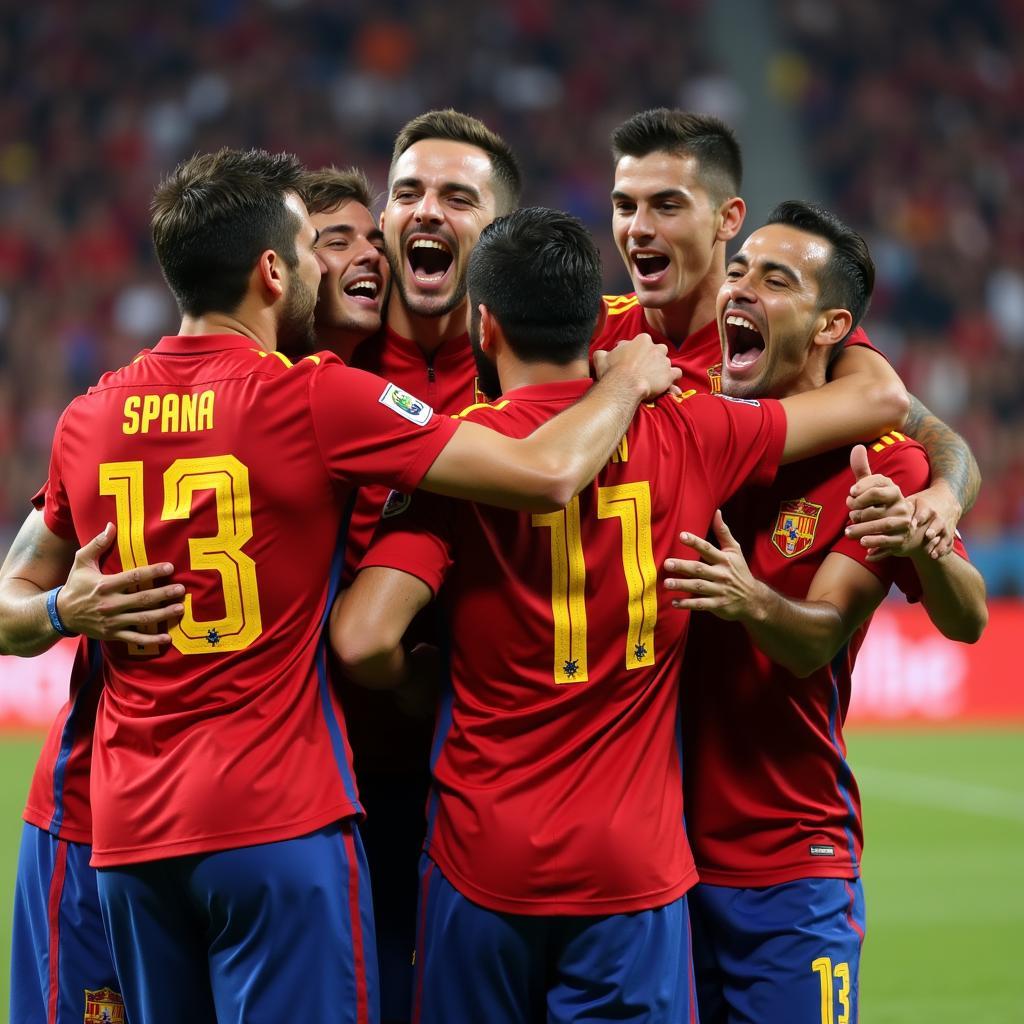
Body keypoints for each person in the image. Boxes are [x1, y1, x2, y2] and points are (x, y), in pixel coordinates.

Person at [0, 147, 680, 1024]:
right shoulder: (315, 397)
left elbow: (13, 599)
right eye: (317, 247)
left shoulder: (87, 415)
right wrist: (623, 384)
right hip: (276, 817)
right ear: (275, 270)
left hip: (129, 830)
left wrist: (60, 610)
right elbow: (545, 471)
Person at [331, 206, 913, 1024]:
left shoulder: (460, 455)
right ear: (592, 324)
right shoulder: (694, 428)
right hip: (631, 870)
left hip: (480, 856)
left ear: (484, 325)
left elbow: (361, 641)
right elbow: (875, 402)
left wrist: (418, 678)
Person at [2, 162, 391, 1024]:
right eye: (329, 243)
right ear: (275, 269)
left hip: (179, 823)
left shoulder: (320, 407)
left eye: (374, 242)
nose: (357, 261)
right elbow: (8, 599)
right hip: (89, 812)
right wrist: (67, 610)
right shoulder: (285, 402)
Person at [660, 201, 987, 1024]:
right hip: (658, 864)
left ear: (831, 325)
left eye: (775, 280)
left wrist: (926, 534)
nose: (741, 289)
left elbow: (834, 636)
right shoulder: (685, 411)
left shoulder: (876, 465)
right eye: (739, 271)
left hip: (787, 863)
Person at [593, 107, 980, 556]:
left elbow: (909, 414)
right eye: (625, 206)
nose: (639, 228)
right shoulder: (591, 331)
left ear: (728, 219)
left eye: (667, 206)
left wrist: (945, 496)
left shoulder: (785, 329)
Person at [341, 109, 523, 1023]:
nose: (425, 211)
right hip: (327, 786)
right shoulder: (317, 356)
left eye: (459, 197)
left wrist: (939, 482)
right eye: (407, 192)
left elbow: (872, 389)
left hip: (479, 792)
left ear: (499, 234)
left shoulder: (544, 363)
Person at [293, 165, 390, 362]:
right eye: (338, 243)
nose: (371, 253)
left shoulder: (380, 386)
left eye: (379, 246)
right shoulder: (256, 384)